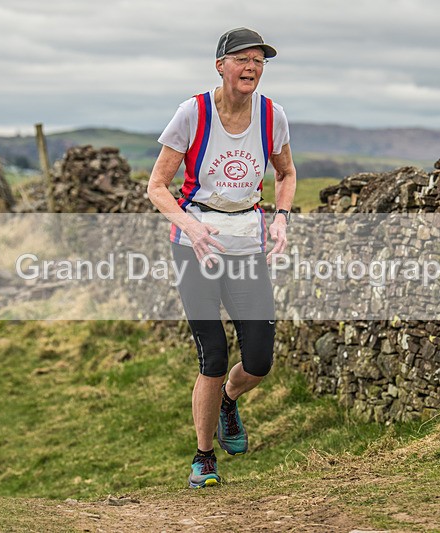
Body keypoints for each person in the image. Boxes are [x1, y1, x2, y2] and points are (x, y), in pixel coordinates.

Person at [147, 27, 296, 488]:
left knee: (259, 359)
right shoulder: (192, 113)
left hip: (246, 239)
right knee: (213, 353)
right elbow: (156, 186)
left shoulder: (272, 115)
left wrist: (282, 218)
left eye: (259, 61)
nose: (251, 68)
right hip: (195, 243)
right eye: (242, 59)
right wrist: (189, 225)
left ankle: (230, 401)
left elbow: (287, 172)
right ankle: (203, 457)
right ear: (220, 65)